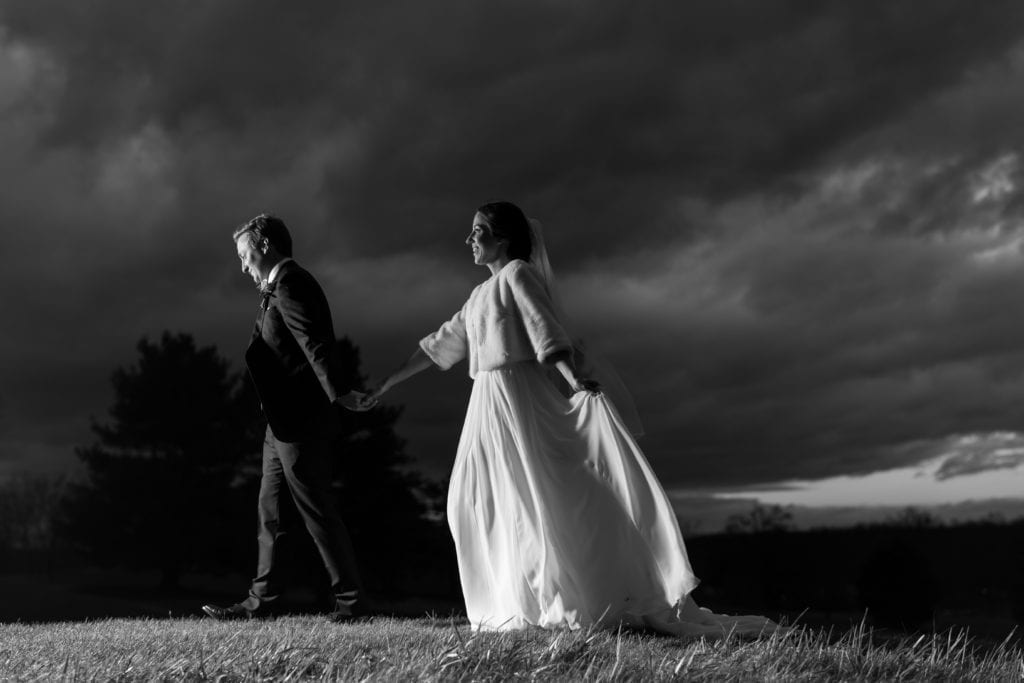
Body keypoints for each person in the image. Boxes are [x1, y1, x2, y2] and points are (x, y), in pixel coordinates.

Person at [364, 201, 775, 637]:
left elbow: (546, 332)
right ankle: (512, 599)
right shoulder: (477, 296)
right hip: (487, 403)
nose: (470, 239)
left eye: (478, 230)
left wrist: (573, 379)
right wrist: (384, 385)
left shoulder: (518, 275)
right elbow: (439, 345)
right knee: (475, 496)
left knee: (535, 495)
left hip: (520, 398)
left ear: (502, 238)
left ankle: (562, 598)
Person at [202, 213, 373, 621]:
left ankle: (352, 604)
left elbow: (314, 343)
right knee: (270, 512)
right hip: (279, 424)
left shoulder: (293, 284)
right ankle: (261, 602)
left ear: (265, 247)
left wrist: (340, 393)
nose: (242, 266)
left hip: (301, 423)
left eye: (244, 256)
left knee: (316, 511)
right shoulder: (275, 287)